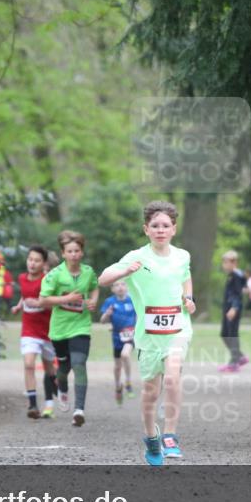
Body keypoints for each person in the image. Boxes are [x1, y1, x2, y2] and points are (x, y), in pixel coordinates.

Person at [98, 200, 195, 466]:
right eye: (155, 226)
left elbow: (186, 276)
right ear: (146, 229)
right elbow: (103, 279)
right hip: (149, 335)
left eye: (166, 225)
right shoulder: (136, 257)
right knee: (151, 391)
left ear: (174, 229)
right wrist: (125, 270)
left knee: (173, 378)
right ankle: (151, 437)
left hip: (178, 327)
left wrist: (188, 297)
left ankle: (171, 435)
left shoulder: (182, 255)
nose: (161, 230)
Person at [38, 231, 99, 427]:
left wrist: (93, 301)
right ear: (63, 253)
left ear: (81, 253)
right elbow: (43, 300)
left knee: (79, 364)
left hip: (81, 326)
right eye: (69, 251)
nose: (73, 254)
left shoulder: (88, 272)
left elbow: (95, 287)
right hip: (59, 330)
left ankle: (79, 410)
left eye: (77, 251)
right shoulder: (55, 275)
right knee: (63, 368)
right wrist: (66, 299)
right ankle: (62, 388)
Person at [10, 245, 58, 420]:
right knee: (29, 364)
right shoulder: (22, 278)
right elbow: (25, 295)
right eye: (30, 259)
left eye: (37, 260)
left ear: (43, 263)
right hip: (29, 329)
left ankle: (55, 387)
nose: (32, 263)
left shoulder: (48, 280)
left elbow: (54, 302)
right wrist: (18, 306)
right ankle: (32, 404)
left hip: (47, 330)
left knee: (49, 368)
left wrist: (39, 303)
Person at [100, 280, 137, 405]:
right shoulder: (110, 302)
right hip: (117, 337)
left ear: (127, 287)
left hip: (130, 336)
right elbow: (102, 321)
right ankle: (118, 387)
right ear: (112, 289)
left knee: (125, 355)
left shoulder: (133, 300)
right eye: (116, 285)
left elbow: (139, 316)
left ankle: (128, 382)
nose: (120, 287)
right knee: (117, 366)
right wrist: (107, 314)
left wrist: (137, 329)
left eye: (123, 284)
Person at [219, 250, 248, 372]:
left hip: (233, 310)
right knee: (225, 334)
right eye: (223, 262)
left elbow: (237, 294)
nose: (223, 265)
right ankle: (240, 357)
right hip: (228, 309)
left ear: (234, 262)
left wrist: (234, 308)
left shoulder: (237, 276)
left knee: (231, 335)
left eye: (225, 262)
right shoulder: (232, 275)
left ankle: (234, 363)